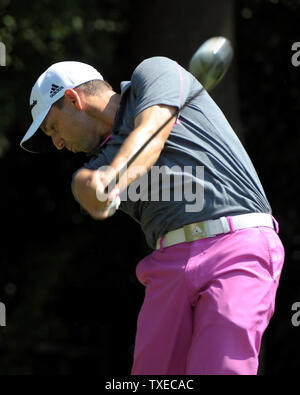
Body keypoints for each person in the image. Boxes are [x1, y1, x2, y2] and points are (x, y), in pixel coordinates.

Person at [20, 57, 285, 375]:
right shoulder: (98, 161)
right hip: (168, 263)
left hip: (237, 246)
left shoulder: (155, 71)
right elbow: (87, 186)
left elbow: (150, 134)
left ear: (72, 99)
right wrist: (88, 188)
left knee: (219, 369)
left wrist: (112, 175)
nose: (58, 143)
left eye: (52, 128)